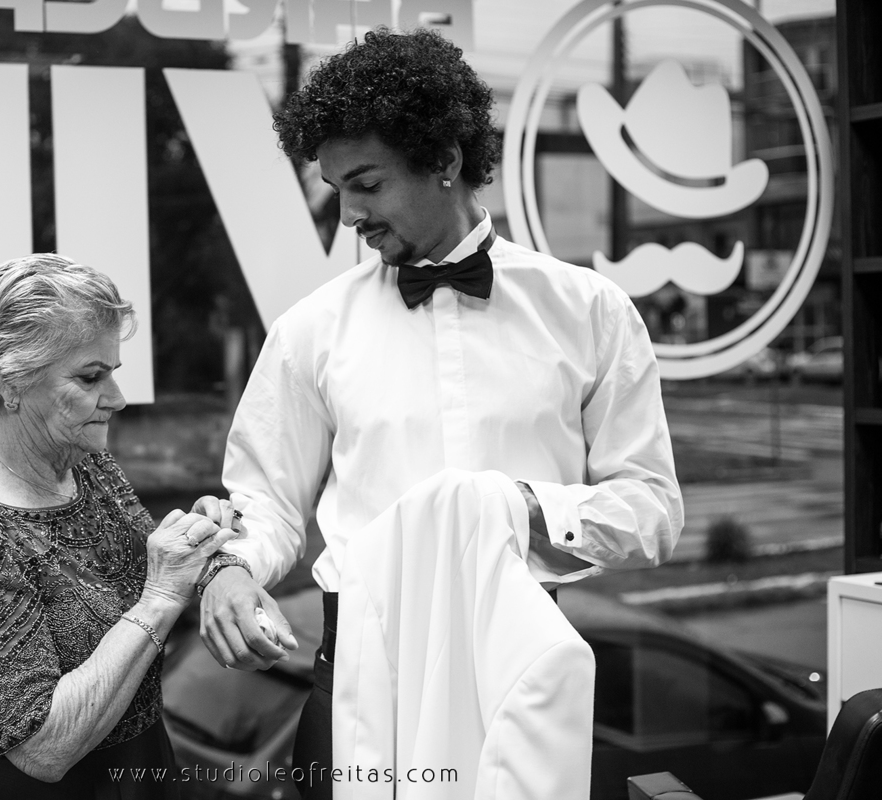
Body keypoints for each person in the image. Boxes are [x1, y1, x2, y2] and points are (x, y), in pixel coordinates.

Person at [196, 28, 684, 796]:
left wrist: (518, 510)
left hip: (519, 662)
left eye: (366, 184)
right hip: (359, 665)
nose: (347, 213)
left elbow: (653, 510)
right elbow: (266, 504)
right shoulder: (309, 331)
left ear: (445, 161)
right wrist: (228, 570)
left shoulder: (590, 311)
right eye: (336, 188)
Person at [0, 253, 240, 798]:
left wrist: (206, 551)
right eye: (90, 377)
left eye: (113, 372)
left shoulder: (86, 465)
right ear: (9, 383)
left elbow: (152, 568)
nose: (117, 399)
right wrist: (161, 596)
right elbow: (42, 748)